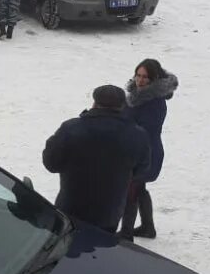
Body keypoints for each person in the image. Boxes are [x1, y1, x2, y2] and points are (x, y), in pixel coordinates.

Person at [42, 85, 150, 234]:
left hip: (70, 208)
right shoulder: (137, 135)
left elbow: (51, 163)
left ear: (94, 103)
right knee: (99, 251)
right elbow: (141, 170)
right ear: (122, 106)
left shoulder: (71, 128)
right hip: (109, 213)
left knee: (64, 249)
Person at [119, 59, 179, 240]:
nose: (140, 80)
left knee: (131, 189)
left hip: (146, 153)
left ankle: (126, 234)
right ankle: (147, 227)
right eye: (138, 75)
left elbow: (145, 130)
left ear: (154, 79)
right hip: (137, 150)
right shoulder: (136, 97)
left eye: (145, 77)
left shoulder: (155, 103)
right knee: (138, 188)